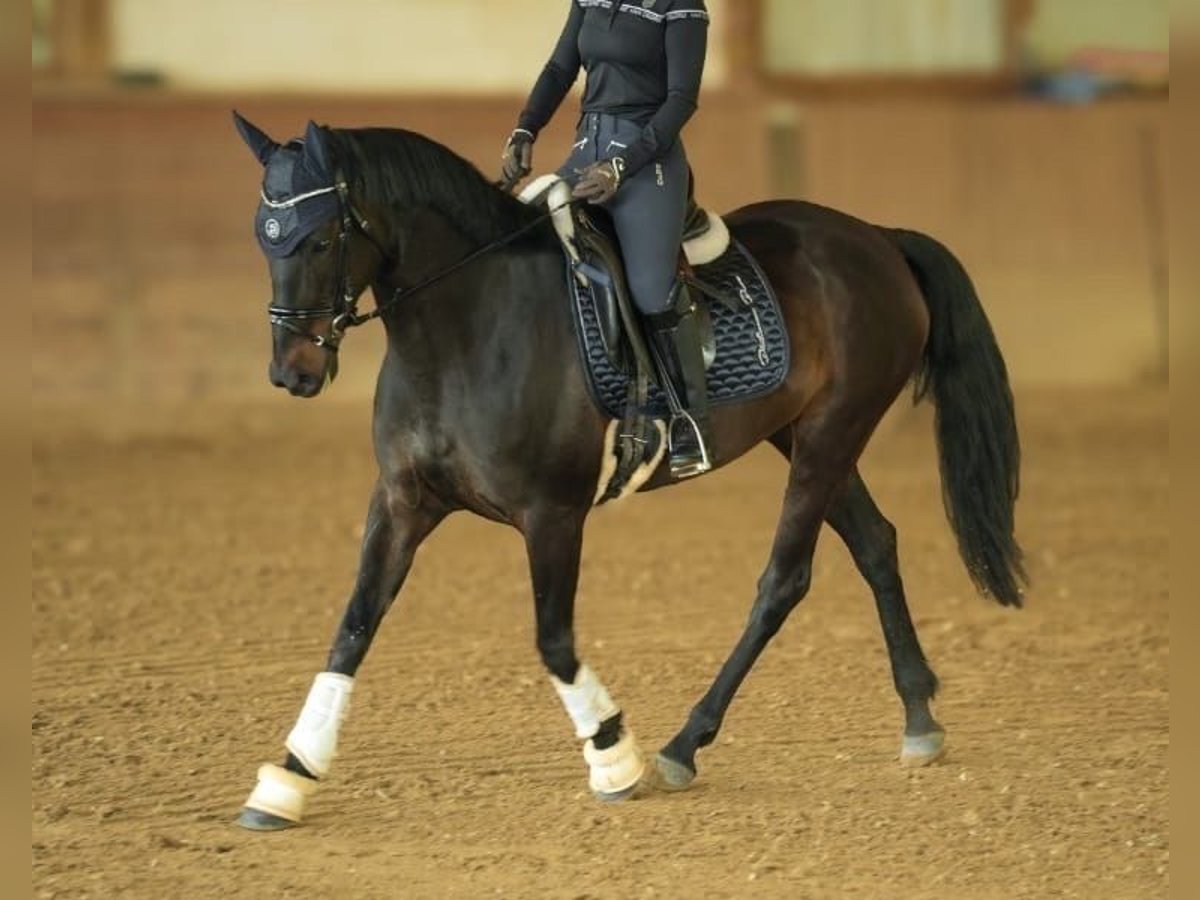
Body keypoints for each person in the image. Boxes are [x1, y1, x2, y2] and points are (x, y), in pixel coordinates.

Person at [502, 0, 713, 478]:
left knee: (649, 289)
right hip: (586, 150)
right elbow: (560, 66)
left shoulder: (681, 7)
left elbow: (682, 98)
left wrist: (622, 165)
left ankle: (690, 420)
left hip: (647, 163)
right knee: (524, 245)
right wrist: (525, 127)